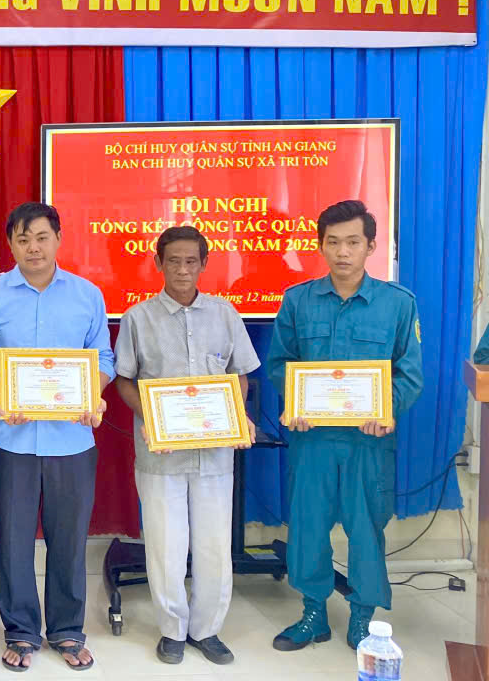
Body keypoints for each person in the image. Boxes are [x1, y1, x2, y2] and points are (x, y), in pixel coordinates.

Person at [267, 200, 423, 652]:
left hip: (367, 442)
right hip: (311, 438)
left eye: (353, 242)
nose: (342, 252)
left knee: (366, 529)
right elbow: (280, 363)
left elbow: (410, 373)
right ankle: (313, 615)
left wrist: (387, 410)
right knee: (308, 526)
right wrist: (294, 402)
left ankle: (361, 618)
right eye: (333, 242)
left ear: (371, 246)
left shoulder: (397, 304)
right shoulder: (298, 300)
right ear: (320, 246)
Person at [0, 202, 113, 672]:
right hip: (12, 438)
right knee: (13, 539)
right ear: (10, 245)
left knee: (69, 538)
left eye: (41, 237)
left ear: (58, 239)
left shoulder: (87, 295)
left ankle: (68, 629)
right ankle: (21, 631)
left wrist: (93, 394)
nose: (33, 247)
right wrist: (1, 394)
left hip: (72, 440)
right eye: (23, 239)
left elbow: (103, 359)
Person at [113, 226, 259, 666]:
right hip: (161, 456)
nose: (181, 270)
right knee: (166, 546)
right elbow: (124, 380)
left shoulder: (225, 314)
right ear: (158, 263)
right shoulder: (138, 318)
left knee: (214, 545)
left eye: (190, 261)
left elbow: (239, 375)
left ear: (203, 264)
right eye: (173, 261)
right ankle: (173, 630)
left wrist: (237, 413)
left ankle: (206, 630)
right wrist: (151, 417)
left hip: (214, 454)